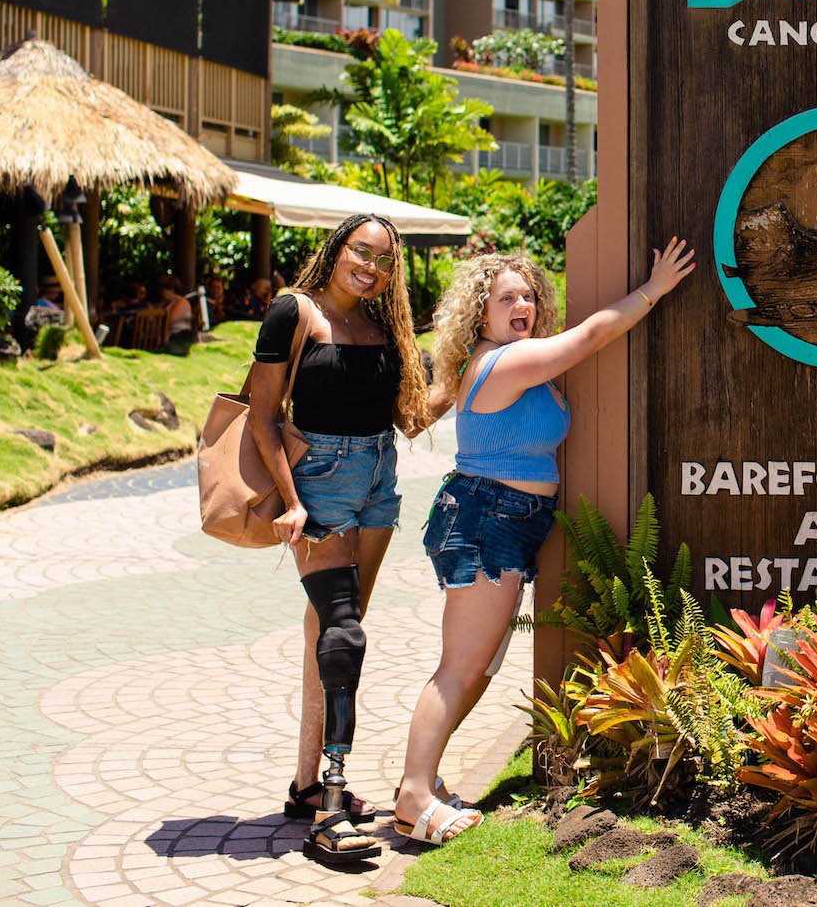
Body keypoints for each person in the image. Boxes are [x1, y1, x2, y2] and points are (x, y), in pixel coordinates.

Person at [391, 237, 696, 846]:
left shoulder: (509, 358)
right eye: (507, 299)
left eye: (528, 296)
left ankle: (426, 784)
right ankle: (414, 795)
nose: (522, 306)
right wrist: (653, 289)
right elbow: (588, 339)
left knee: (477, 667)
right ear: (481, 312)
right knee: (461, 666)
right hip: (486, 519)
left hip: (506, 517)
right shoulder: (501, 363)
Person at [247, 215, 429, 866]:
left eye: (384, 259)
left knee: (329, 631)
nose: (372, 266)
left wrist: (470, 361)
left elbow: (410, 418)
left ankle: (303, 784)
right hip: (318, 483)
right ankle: (330, 803)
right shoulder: (293, 313)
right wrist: (292, 501)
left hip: (378, 481)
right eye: (362, 251)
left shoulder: (384, 328)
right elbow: (264, 414)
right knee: (344, 634)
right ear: (337, 248)